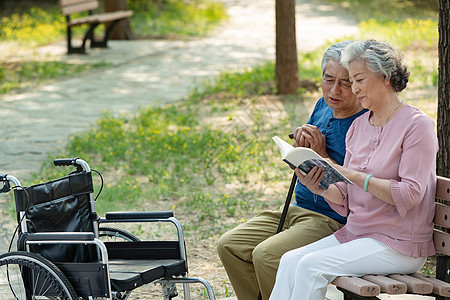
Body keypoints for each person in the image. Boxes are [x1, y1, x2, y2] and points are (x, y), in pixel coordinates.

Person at [269, 39, 438, 300]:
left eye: (358, 79)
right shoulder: (360, 127)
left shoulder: (417, 126)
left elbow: (410, 195)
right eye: (353, 81)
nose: (354, 88)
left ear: (384, 77)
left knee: (310, 267)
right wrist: (320, 185)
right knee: (290, 260)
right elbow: (348, 198)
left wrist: (354, 175)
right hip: (358, 234)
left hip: (399, 244)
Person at [216, 41, 367, 300]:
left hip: (331, 219)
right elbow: (308, 158)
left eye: (345, 82)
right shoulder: (322, 105)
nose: (334, 90)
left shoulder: (364, 124)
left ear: (357, 84)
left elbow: (357, 188)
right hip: (296, 208)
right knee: (229, 245)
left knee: (266, 254)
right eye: (328, 79)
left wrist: (322, 156)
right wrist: (301, 148)